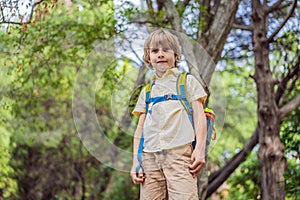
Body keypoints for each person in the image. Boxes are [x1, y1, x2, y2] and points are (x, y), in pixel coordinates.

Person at [130, 29, 207, 199]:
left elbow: (199, 117)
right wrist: (136, 161)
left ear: (176, 55)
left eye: (166, 50)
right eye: (155, 51)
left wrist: (200, 149)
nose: (161, 55)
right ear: (148, 57)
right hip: (150, 159)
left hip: (180, 156)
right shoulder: (147, 92)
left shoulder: (187, 82)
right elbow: (139, 131)